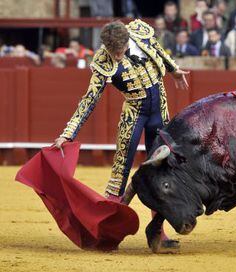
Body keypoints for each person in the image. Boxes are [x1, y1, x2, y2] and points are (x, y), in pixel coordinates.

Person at [53, 20, 189, 246]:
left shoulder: (141, 34)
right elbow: (89, 100)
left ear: (128, 41)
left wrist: (173, 70)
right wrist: (68, 134)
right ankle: (104, 233)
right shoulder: (103, 61)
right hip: (134, 115)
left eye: (120, 51)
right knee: (120, 172)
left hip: (159, 111)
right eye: (112, 52)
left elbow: (157, 49)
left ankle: (158, 234)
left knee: (162, 171)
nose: (116, 57)